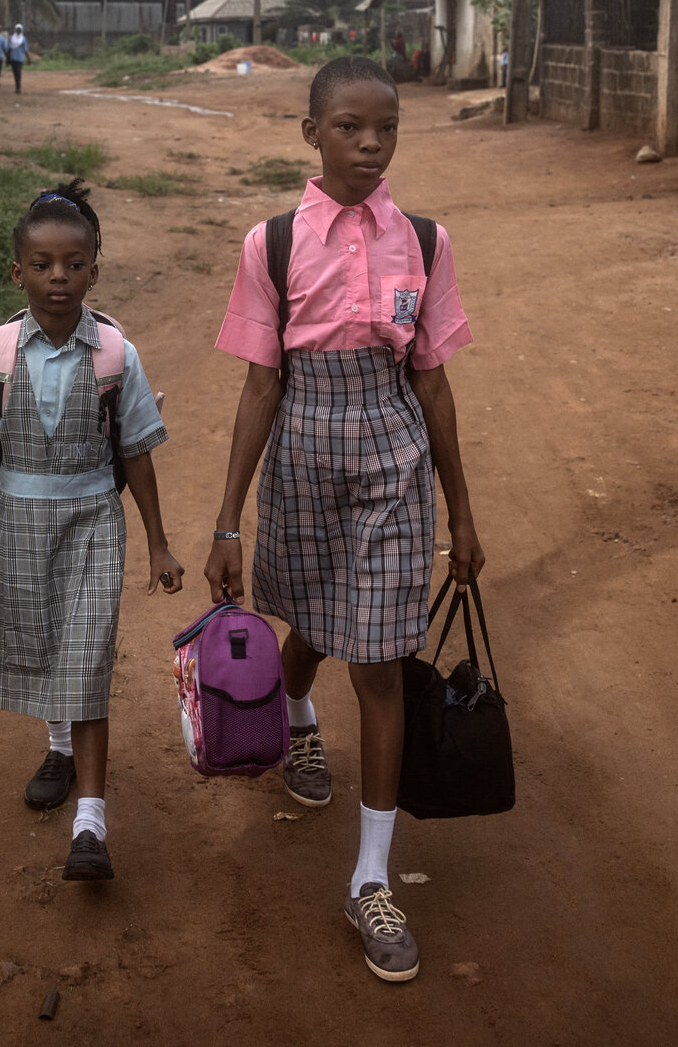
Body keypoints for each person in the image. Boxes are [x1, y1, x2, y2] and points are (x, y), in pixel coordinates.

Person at [204, 55, 484, 983]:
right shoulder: (274, 244)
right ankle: (292, 712)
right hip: (300, 454)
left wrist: (463, 512)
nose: (370, 144)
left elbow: (434, 383)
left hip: (394, 456)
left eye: (387, 128)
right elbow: (259, 384)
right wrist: (227, 520)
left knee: (377, 656)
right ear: (311, 133)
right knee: (316, 626)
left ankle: (370, 876)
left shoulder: (427, 241)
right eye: (349, 128)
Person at [0, 179, 183, 881]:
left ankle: (91, 825)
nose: (58, 277)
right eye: (42, 264)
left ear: (94, 270)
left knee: (87, 657)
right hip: (17, 521)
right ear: (18, 273)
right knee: (44, 640)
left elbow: (134, 448)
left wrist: (159, 540)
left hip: (92, 525)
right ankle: (59, 748)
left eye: (73, 264)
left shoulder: (113, 354)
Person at [6, 24, 30, 94]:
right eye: (17, 29)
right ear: (15, 29)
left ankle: (18, 87)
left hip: (20, 58)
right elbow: (9, 48)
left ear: (21, 30)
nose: (18, 30)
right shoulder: (11, 38)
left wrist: (28, 59)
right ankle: (17, 85)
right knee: (15, 73)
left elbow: (25, 49)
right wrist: (7, 59)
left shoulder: (23, 38)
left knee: (18, 72)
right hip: (12, 58)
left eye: (20, 29)